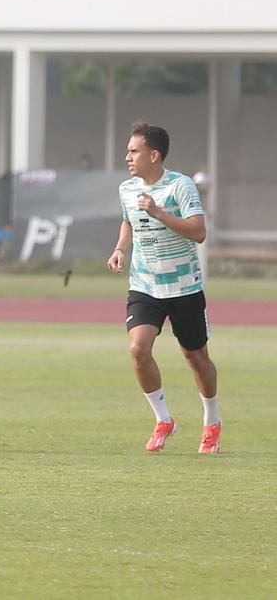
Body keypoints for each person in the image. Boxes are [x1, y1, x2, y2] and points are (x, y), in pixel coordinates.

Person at [106, 121, 220, 454]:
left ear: (154, 155)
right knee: (138, 350)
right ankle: (163, 419)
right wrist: (119, 249)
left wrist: (158, 212)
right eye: (127, 150)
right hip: (144, 284)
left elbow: (198, 232)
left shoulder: (181, 187)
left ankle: (211, 421)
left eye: (134, 150)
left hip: (183, 286)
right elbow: (128, 219)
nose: (127, 156)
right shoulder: (126, 189)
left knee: (196, 358)